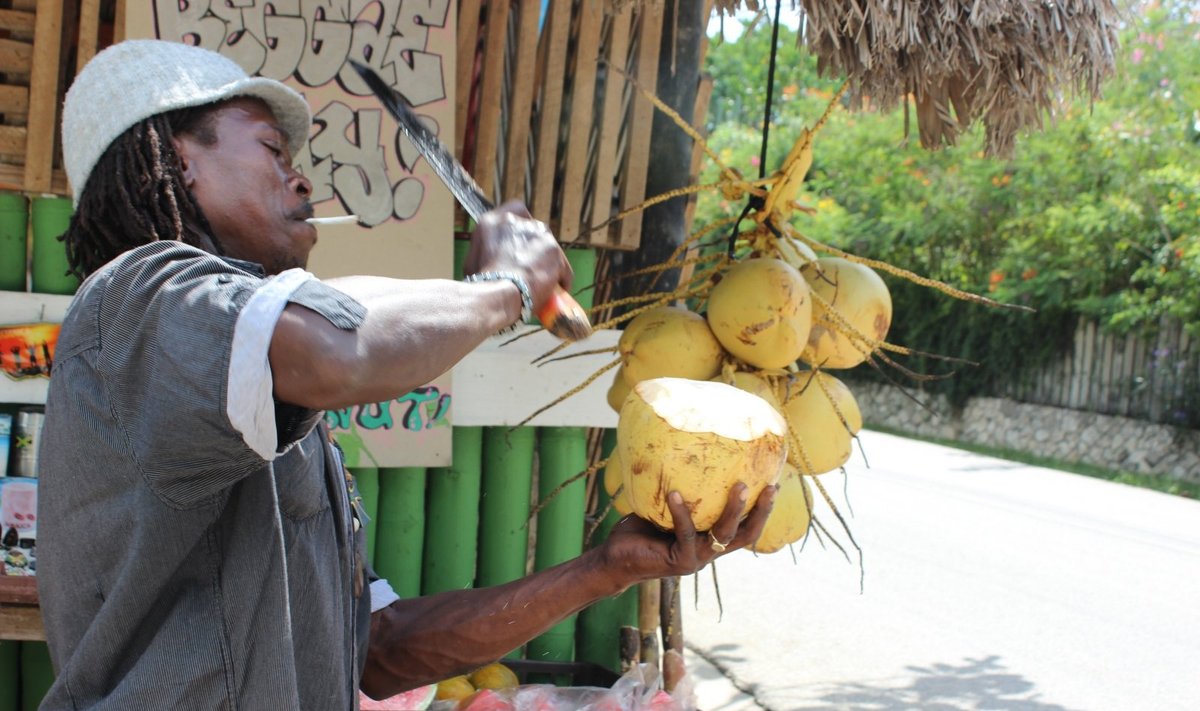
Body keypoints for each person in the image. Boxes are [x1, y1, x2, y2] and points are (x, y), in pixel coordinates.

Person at [35, 39, 776, 709]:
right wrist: (507, 289)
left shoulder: (250, 383)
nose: (300, 183)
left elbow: (380, 648)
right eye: (271, 150)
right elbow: (341, 345)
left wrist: (606, 567)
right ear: (177, 158)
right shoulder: (142, 296)